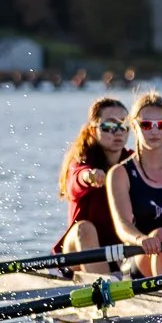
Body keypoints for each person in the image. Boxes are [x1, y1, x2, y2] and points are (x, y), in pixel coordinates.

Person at [104, 91, 162, 277]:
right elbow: (122, 225)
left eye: (161, 125)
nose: (154, 131)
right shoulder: (120, 173)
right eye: (145, 125)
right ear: (134, 127)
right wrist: (141, 238)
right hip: (139, 256)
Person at [54, 96, 129, 255]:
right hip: (77, 253)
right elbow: (76, 179)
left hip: (120, 254)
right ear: (92, 130)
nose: (117, 132)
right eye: (109, 126)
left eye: (123, 125)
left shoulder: (134, 162)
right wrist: (90, 177)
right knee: (85, 229)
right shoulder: (81, 161)